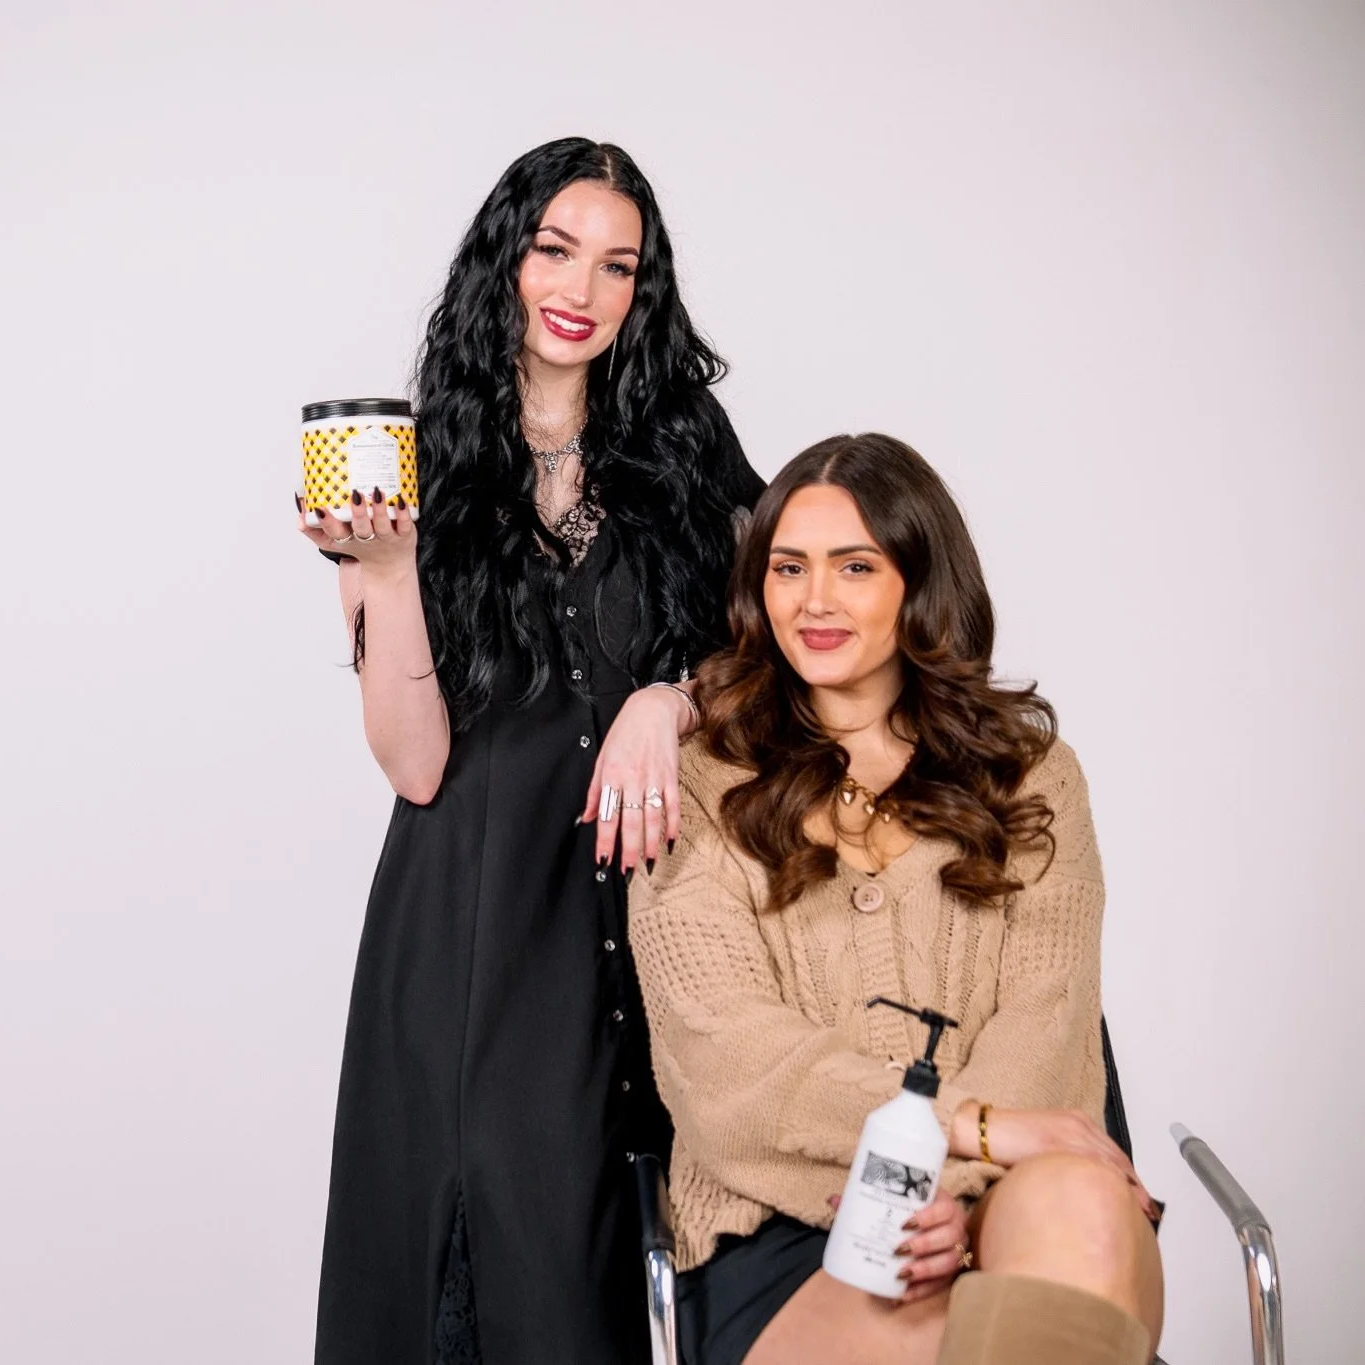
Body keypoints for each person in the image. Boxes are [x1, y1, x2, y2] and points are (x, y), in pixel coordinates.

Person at [297, 137, 764, 1365]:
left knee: (632, 1271)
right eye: (556, 249)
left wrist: (669, 697)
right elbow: (413, 765)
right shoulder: (413, 459)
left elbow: (785, 639)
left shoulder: (682, 441)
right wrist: (387, 573)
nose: (583, 288)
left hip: (660, 906)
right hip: (476, 932)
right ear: (506, 255)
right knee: (492, 1270)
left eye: (619, 265)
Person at [628, 433, 1165, 1365]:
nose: (815, 600)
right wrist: (952, 1143)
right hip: (787, 1230)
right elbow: (732, 1076)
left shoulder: (1033, 778)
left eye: (855, 566)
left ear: (919, 584)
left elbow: (1047, 1026)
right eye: (788, 567)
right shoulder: (697, 791)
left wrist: (955, 1197)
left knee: (1079, 1204)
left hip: (1012, 1206)